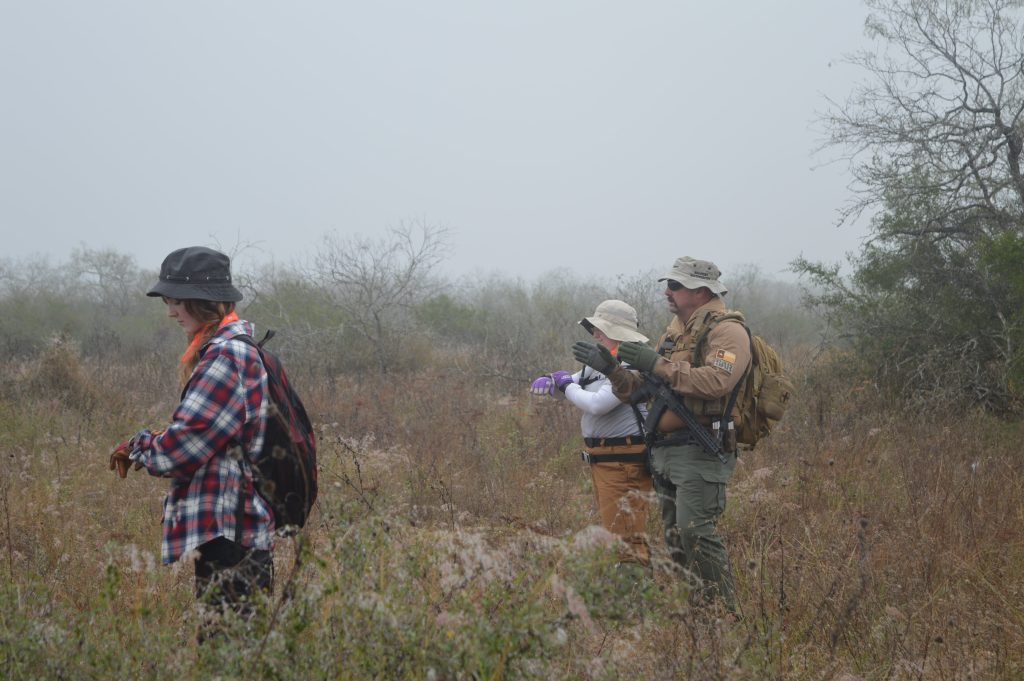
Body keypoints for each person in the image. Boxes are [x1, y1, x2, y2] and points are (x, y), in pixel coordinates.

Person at [109, 246, 275, 636]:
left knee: (227, 654)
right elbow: (203, 433)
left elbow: (179, 451)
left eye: (175, 300)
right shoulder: (232, 350)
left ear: (202, 302)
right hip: (236, 530)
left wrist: (139, 446)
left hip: (231, 534)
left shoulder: (225, 356)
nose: (170, 311)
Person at [572, 257, 751, 611]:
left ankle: (725, 618)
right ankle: (700, 616)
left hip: (700, 447)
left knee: (695, 532)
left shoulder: (728, 332)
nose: (667, 291)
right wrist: (611, 369)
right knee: (675, 539)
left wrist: (654, 362)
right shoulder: (676, 330)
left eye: (675, 285)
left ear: (700, 291)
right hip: (665, 451)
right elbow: (641, 390)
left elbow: (717, 381)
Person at [531, 299, 653, 567]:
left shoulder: (631, 363)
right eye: (595, 329)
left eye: (602, 329)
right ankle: (627, 596)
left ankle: (635, 600)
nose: (595, 334)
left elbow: (597, 404)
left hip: (625, 462)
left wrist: (564, 385)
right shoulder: (599, 363)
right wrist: (552, 380)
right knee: (615, 534)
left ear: (620, 332)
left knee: (627, 539)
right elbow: (571, 384)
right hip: (605, 460)